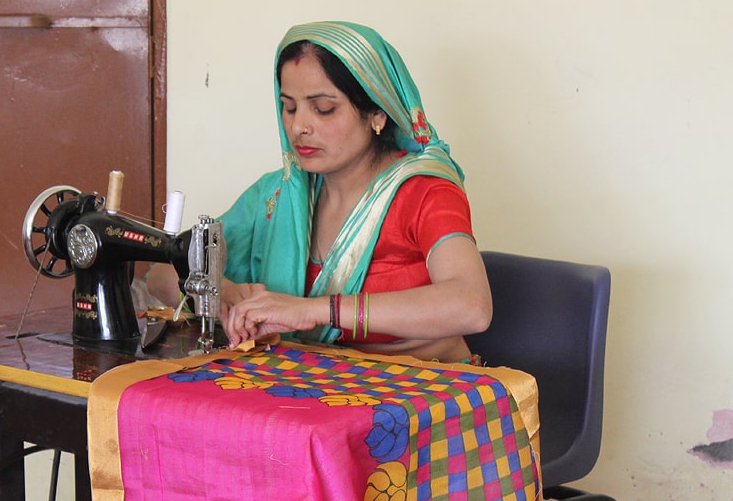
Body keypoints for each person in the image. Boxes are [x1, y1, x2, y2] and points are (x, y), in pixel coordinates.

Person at [149, 21, 490, 364]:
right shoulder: (279, 196)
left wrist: (313, 311)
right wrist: (220, 290)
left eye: (323, 109)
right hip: (321, 389)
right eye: (289, 107)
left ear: (377, 112)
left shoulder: (425, 192)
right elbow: (162, 273)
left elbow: (472, 306)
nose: (299, 127)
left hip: (430, 395)